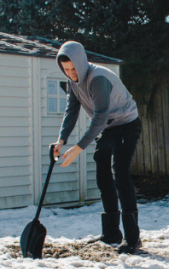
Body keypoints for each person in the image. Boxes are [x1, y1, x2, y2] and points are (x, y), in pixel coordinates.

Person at [52, 41, 143, 253]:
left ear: (82, 62)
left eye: (74, 68)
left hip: (127, 124)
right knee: (103, 176)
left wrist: (78, 147)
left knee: (119, 174)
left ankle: (132, 238)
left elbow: (100, 116)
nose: (71, 73)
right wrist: (62, 140)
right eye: (66, 70)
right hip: (110, 128)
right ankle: (112, 233)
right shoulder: (73, 83)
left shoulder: (97, 79)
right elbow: (71, 111)